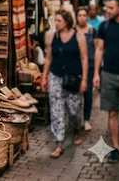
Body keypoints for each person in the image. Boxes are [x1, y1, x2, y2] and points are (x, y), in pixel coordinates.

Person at [42, 9, 88, 159]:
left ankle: (76, 130)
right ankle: (59, 143)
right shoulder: (51, 36)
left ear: (67, 21)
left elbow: (84, 58)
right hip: (55, 77)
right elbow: (48, 58)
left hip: (73, 78)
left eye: (59, 21)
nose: (56, 23)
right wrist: (44, 77)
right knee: (56, 111)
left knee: (74, 110)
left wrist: (85, 79)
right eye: (55, 20)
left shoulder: (79, 36)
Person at [94, 0, 119, 163]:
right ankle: (116, 147)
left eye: (111, 8)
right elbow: (99, 50)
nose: (107, 11)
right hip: (108, 74)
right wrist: (96, 73)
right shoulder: (104, 26)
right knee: (112, 113)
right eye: (107, 8)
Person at [75, 7, 96, 131]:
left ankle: (86, 119)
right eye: (80, 15)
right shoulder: (73, 31)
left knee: (88, 93)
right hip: (76, 66)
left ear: (87, 17)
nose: (82, 17)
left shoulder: (92, 31)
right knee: (76, 94)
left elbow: (98, 48)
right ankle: (77, 119)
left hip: (90, 66)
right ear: (76, 17)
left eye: (84, 15)